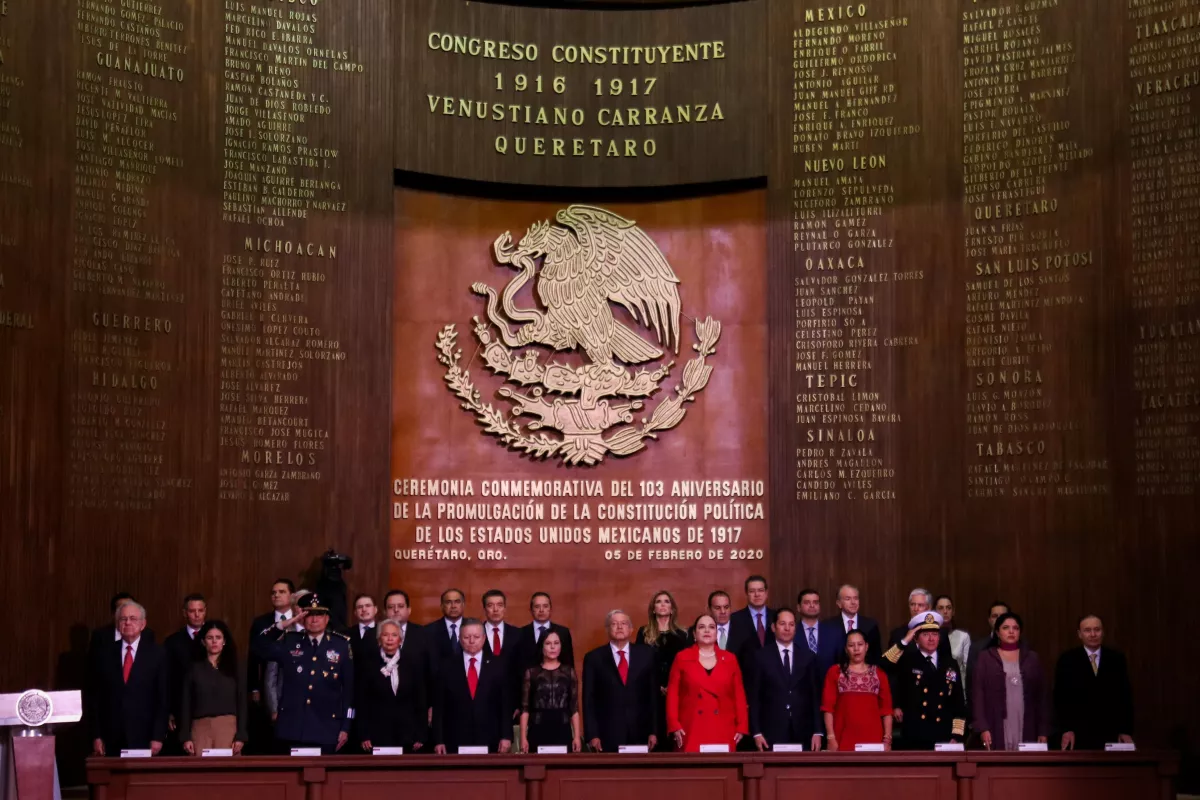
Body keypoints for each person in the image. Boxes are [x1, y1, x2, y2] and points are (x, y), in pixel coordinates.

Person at [252, 593, 355, 754]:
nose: (314, 620)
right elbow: (258, 647)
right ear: (302, 618)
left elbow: (348, 690)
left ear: (327, 618)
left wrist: (346, 727)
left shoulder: (341, 645)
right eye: (309, 615)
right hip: (292, 728)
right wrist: (282, 625)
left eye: (319, 615)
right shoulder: (290, 641)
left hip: (327, 729)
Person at [87, 601, 168, 756]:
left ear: (143, 624)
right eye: (123, 619)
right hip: (110, 736)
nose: (128, 622)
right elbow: (95, 698)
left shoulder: (157, 654)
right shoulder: (104, 654)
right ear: (118, 624)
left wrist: (158, 736)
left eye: (133, 618)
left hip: (145, 735)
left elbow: (162, 698)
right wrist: (96, 735)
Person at [667, 614, 748, 752]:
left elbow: (739, 695)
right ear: (694, 634)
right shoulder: (682, 658)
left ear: (717, 633)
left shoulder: (730, 659)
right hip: (691, 727)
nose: (706, 631)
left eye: (711, 627)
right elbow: (673, 694)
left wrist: (742, 726)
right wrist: (674, 724)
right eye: (701, 627)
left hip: (723, 726)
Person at [971, 612, 1050, 751]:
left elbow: (1042, 697)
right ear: (997, 632)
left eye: (1016, 628)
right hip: (995, 723)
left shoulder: (1032, 658)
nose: (1011, 631)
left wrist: (1043, 730)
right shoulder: (985, 657)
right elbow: (978, 694)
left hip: (1027, 722)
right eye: (1006, 628)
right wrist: (982, 727)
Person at [432, 618, 513, 753]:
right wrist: (438, 740)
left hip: (491, 738)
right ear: (459, 638)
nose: (471, 641)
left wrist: (506, 736)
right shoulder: (446, 666)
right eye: (466, 637)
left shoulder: (499, 665)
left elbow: (505, 705)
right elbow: (439, 707)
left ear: (484, 638)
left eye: (476, 637)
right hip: (454, 738)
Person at [1054, 614, 1134, 750]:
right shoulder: (1067, 659)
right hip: (1078, 733)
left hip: (1110, 731)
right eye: (1087, 630)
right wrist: (1066, 729)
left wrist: (1125, 730)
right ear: (1079, 634)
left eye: (1097, 629)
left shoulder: (1116, 659)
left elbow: (1125, 696)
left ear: (1103, 632)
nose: (1093, 634)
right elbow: (1060, 698)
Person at [582, 609, 658, 752]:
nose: (619, 627)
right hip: (607, 734)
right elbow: (589, 700)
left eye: (624, 623)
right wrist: (592, 734)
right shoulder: (593, 658)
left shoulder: (647, 654)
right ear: (607, 629)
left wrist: (654, 731)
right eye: (614, 624)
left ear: (631, 629)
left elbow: (652, 696)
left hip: (641, 731)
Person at [889, 612, 966, 749]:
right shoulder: (908, 660)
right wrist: (903, 642)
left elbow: (958, 703)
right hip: (915, 735)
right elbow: (884, 665)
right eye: (925, 635)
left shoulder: (950, 663)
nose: (931, 639)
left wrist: (956, 736)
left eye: (935, 634)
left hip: (944, 734)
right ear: (916, 639)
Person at [749, 608, 822, 752]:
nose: (787, 628)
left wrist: (817, 731)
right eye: (782, 624)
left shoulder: (808, 657)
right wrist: (756, 732)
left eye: (791, 624)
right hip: (770, 730)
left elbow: (815, 697)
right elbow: (754, 697)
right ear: (773, 627)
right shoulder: (760, 657)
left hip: (803, 730)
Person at [356, 619, 426, 752]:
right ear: (379, 639)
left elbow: (420, 701)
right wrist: (364, 734)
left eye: (394, 635)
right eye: (385, 635)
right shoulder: (368, 664)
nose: (389, 639)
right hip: (377, 734)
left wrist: (421, 735)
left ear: (400, 640)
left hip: (408, 735)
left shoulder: (412, 663)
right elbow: (362, 702)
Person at [179, 620, 247, 755]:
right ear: (203, 642)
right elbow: (186, 704)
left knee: (227, 773)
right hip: (200, 728)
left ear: (224, 641)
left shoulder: (235, 667)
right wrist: (185, 737)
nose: (214, 641)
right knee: (201, 773)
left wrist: (241, 735)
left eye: (218, 637)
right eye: (210, 638)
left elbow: (242, 702)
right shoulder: (193, 668)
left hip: (228, 728)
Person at [821, 629, 892, 751]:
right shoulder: (835, 672)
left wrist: (887, 740)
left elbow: (886, 711)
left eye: (860, 644)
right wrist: (831, 738)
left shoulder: (879, 674)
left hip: (874, 740)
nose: (856, 649)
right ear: (845, 649)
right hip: (842, 740)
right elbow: (828, 708)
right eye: (851, 645)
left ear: (866, 646)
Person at [637, 590, 689, 751]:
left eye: (667, 601)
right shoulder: (644, 633)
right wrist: (658, 685)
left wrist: (672, 686)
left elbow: (687, 664)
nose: (663, 604)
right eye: (659, 601)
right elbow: (639, 664)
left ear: (672, 608)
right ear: (653, 608)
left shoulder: (683, 634)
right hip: (652, 693)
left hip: (677, 692)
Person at [520, 630, 581, 752]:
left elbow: (574, 708)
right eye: (548, 643)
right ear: (541, 646)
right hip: (538, 728)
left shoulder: (569, 672)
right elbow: (525, 708)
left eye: (556, 643)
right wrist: (523, 738)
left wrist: (577, 737)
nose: (553, 647)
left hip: (562, 728)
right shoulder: (531, 673)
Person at [164, 594, 207, 749]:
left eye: (200, 610)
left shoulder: (215, 638)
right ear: (185, 613)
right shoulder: (172, 642)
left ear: (205, 611)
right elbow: (167, 679)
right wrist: (168, 711)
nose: (196, 615)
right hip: (180, 708)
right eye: (192, 611)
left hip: (208, 706)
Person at [817, 585, 882, 673]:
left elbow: (876, 657)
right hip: (836, 676)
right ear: (839, 603)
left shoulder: (870, 625)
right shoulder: (827, 626)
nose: (853, 602)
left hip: (865, 677)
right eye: (848, 599)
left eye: (856, 598)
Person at [514, 592, 576, 672]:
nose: (541, 610)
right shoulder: (520, 633)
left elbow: (568, 663)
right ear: (531, 610)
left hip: (556, 681)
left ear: (550, 609)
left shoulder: (563, 632)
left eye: (545, 606)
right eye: (537, 607)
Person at [730, 575, 775, 654]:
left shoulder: (776, 617)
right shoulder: (735, 619)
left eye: (760, 590)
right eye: (752, 591)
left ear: (766, 593)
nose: (757, 594)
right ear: (746, 594)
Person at [933, 595, 971, 684]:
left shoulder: (963, 636)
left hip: (958, 685)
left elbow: (966, 668)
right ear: (934, 612)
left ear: (953, 612)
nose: (945, 611)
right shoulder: (929, 637)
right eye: (941, 608)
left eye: (948, 608)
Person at [967, 600, 1008, 678]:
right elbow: (971, 680)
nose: (999, 619)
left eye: (1003, 616)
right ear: (989, 620)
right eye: (995, 616)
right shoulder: (977, 648)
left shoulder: (1022, 646)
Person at [426, 588, 467, 661]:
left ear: (463, 605)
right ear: (442, 606)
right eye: (448, 602)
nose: (453, 606)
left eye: (457, 602)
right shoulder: (428, 631)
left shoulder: (475, 628)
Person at [350, 594, 378, 658]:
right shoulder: (346, 634)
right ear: (355, 612)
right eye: (360, 607)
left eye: (368, 606)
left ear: (375, 609)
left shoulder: (384, 632)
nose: (364, 609)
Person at [796, 589, 821, 659]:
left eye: (815, 602)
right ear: (798, 607)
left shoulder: (831, 632)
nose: (812, 605)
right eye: (807, 602)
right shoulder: (792, 631)